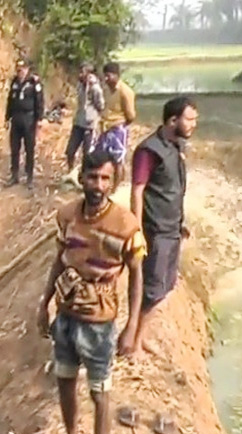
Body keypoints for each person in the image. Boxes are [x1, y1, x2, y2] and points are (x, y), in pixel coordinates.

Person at [37, 150, 146, 434]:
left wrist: (131, 327)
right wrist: (44, 303)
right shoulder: (68, 215)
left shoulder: (126, 225)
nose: (97, 185)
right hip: (67, 314)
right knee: (65, 380)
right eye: (91, 177)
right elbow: (60, 258)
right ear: (80, 178)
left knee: (100, 391)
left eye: (104, 178)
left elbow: (137, 276)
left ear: (113, 182)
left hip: (99, 321)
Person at [130, 96, 198, 356]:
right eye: (189, 119)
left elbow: (173, 190)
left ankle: (140, 337)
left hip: (171, 228)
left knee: (164, 287)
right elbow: (138, 191)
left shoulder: (175, 148)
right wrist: (137, 231)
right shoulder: (149, 150)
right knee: (151, 287)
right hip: (155, 230)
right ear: (172, 120)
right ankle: (133, 343)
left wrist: (181, 223)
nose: (193, 124)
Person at [5, 58, 44, 190]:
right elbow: (10, 101)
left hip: (29, 119)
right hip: (16, 118)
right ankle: (14, 175)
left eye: (22, 69)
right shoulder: (14, 82)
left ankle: (29, 177)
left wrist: (39, 119)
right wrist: (7, 118)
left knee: (29, 149)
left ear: (27, 69)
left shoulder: (34, 83)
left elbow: (39, 101)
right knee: (14, 149)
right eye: (18, 70)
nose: (20, 72)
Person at [97, 62, 136, 192]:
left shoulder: (126, 92)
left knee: (117, 160)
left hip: (118, 129)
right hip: (106, 128)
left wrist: (120, 127)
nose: (106, 79)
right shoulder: (107, 90)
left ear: (116, 75)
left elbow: (131, 116)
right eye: (105, 76)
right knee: (104, 158)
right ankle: (106, 184)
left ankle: (115, 189)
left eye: (109, 76)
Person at [64, 63, 105, 179]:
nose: (80, 74)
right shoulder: (80, 85)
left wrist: (93, 117)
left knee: (87, 154)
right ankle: (70, 172)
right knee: (70, 150)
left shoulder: (95, 88)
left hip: (89, 125)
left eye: (82, 72)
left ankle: (86, 176)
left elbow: (100, 105)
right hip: (78, 122)